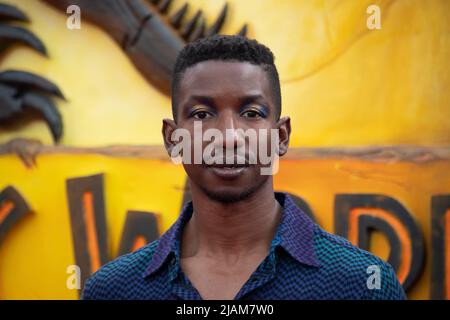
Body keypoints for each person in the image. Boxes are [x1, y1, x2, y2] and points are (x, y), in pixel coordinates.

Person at [82, 35, 406, 300]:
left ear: (281, 136)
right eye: (201, 114)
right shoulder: (114, 290)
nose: (228, 137)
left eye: (251, 113)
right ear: (172, 138)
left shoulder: (361, 285)